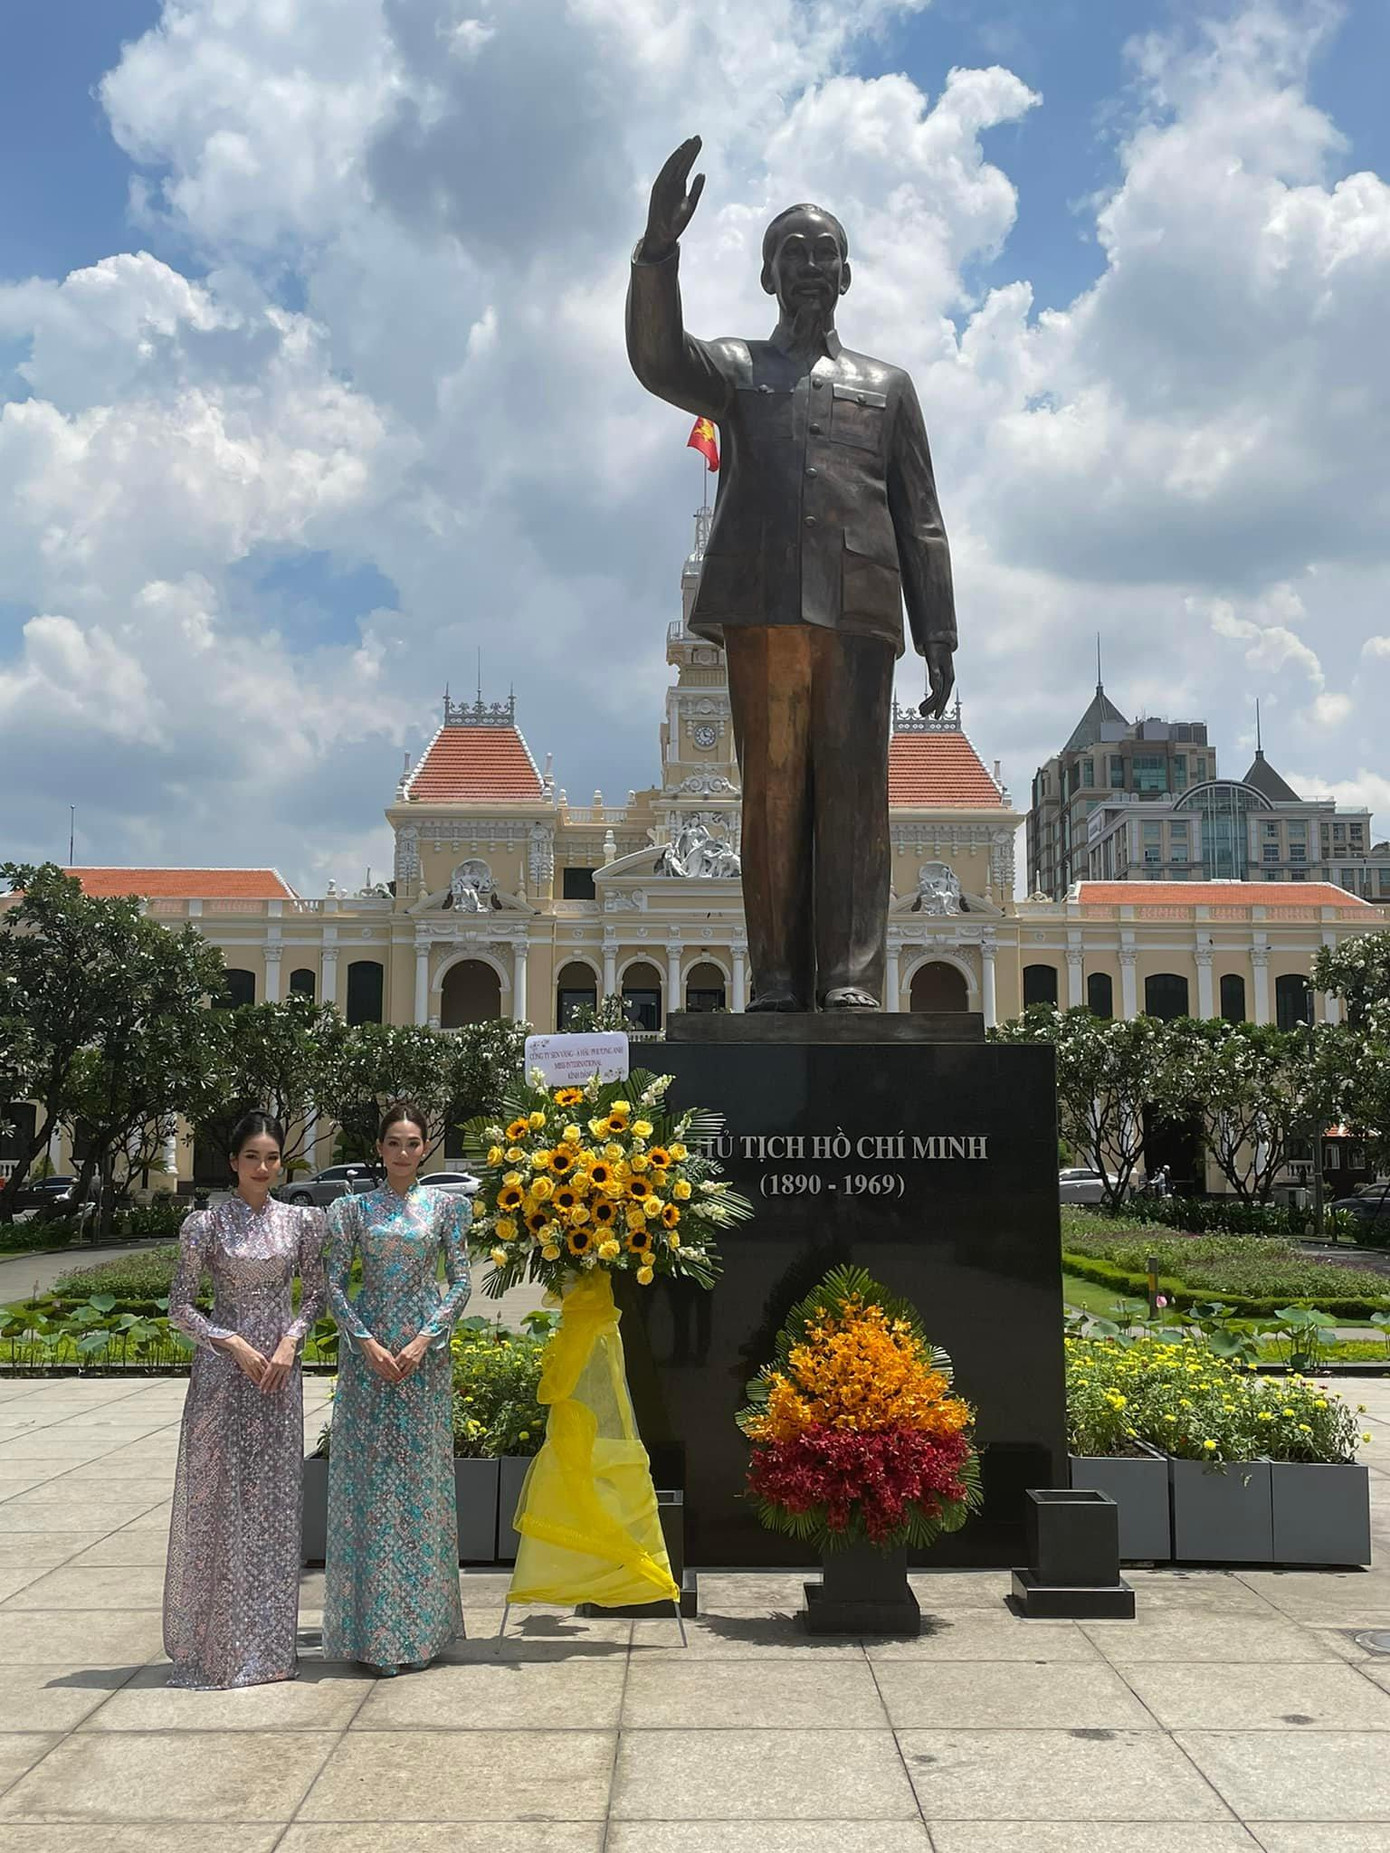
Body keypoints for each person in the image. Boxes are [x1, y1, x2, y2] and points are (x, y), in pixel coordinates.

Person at [626, 137, 957, 1011]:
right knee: (770, 793)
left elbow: (920, 513)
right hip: (764, 604)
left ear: (847, 274)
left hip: (861, 609)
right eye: (791, 254)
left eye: (824, 253)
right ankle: (774, 980)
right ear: (768, 276)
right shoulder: (738, 371)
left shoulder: (888, 387)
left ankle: (849, 979)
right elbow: (658, 359)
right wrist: (657, 251)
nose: (809, 266)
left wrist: (941, 633)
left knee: (856, 796)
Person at [163, 1111, 327, 1689]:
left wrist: (289, 1343)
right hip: (225, 1377)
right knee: (225, 1503)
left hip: (279, 1378)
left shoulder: (301, 1222)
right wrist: (228, 1341)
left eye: (272, 1158)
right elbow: (180, 1306)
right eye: (252, 1157)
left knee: (276, 1506)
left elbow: (316, 1297)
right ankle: (223, 1647)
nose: (263, 1167)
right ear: (234, 1163)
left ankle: (272, 1649)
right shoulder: (206, 1226)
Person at [323, 1103, 473, 1675]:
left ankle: (420, 1630)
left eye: (413, 1143)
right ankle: (372, 1635)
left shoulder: (446, 1208)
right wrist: (365, 1341)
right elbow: (335, 1284)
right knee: (370, 1485)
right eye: (394, 1143)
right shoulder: (353, 1210)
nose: (403, 1152)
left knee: (418, 1486)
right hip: (368, 1360)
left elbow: (459, 1281)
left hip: (423, 1360)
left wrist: (424, 1340)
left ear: (425, 1147)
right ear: (380, 1148)